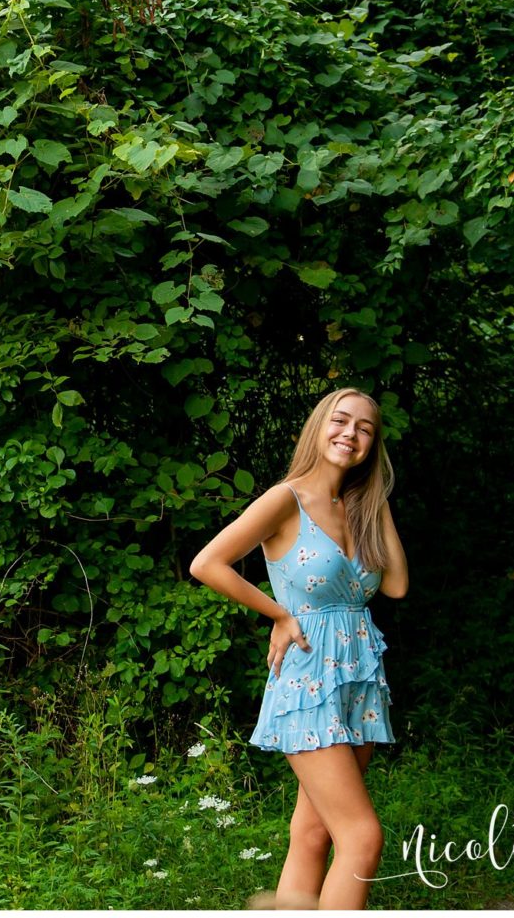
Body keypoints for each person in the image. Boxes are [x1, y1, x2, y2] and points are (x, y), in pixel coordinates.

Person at [190, 389, 407, 912]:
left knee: (313, 834)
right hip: (309, 677)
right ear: (318, 427)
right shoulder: (285, 499)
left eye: (365, 429)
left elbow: (396, 584)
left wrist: (374, 499)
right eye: (340, 421)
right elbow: (208, 563)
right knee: (362, 836)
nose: (350, 435)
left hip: (358, 677)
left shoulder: (357, 507)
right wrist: (280, 614)